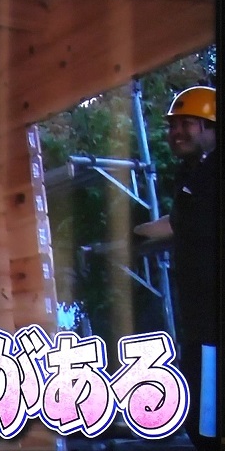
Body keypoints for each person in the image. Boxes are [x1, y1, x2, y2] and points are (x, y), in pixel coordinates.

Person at [133, 85, 218, 451]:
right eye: (172, 125)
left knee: (208, 424)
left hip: (213, 322)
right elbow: (178, 222)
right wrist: (132, 234)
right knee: (202, 422)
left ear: (211, 127)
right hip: (200, 321)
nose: (176, 132)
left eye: (187, 124)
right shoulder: (191, 173)